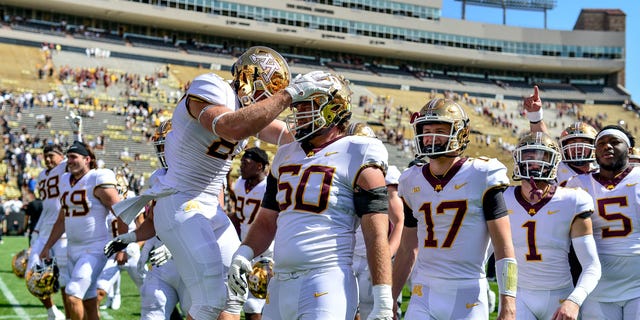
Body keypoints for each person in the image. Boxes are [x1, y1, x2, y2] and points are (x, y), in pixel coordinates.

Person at [107, 46, 334, 320]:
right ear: (250, 77)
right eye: (271, 88)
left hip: (210, 209)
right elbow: (230, 126)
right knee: (210, 302)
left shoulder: (246, 110)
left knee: (234, 296)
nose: (272, 98)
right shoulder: (212, 86)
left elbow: (286, 135)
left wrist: (334, 138)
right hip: (181, 203)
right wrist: (288, 96)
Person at [227, 73, 394, 320]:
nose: (300, 112)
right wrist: (244, 253)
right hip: (280, 282)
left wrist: (383, 300)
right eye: (298, 106)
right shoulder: (285, 154)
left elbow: (376, 233)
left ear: (333, 108)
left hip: (326, 280)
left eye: (308, 105)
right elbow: (266, 221)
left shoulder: (358, 150)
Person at [392, 98, 517, 320]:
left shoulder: (482, 174)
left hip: (467, 293)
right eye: (426, 130)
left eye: (439, 130)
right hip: (423, 292)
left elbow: (504, 247)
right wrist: (390, 297)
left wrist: (508, 303)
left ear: (460, 133)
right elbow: (407, 248)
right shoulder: (410, 180)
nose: (431, 137)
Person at [506, 131, 601, 319]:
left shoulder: (572, 199)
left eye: (542, 156)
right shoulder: (503, 198)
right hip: (519, 295)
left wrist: (574, 300)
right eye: (528, 156)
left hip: (560, 296)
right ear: (518, 159)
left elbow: (592, 265)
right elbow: (489, 253)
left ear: (555, 162)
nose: (535, 163)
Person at [40, 141, 126, 320]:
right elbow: (62, 219)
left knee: (72, 295)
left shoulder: (97, 178)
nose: (69, 161)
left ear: (87, 159)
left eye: (74, 157)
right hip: (73, 249)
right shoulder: (65, 180)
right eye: (68, 157)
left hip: (94, 248)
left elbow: (121, 212)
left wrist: (123, 245)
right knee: (88, 301)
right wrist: (47, 245)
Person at [566, 125, 640, 319]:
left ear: (630, 150)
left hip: (638, 285)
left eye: (614, 142)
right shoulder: (577, 183)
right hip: (596, 286)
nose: (607, 147)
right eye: (601, 144)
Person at [346, 122, 404, 320]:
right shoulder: (338, 171)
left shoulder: (384, 174)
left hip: (373, 255)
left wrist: (386, 254)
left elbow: (399, 221)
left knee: (380, 312)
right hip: (346, 256)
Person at [27, 144, 69, 320]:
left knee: (65, 280)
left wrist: (77, 133)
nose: (48, 159)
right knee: (33, 274)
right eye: (46, 156)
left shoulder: (64, 168)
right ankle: (52, 311)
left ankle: (70, 314)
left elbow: (78, 154)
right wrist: (35, 232)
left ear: (61, 156)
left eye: (52, 155)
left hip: (62, 233)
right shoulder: (42, 174)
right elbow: (46, 206)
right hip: (44, 231)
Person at [524, 86, 598, 185]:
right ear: (563, 147)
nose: (578, 148)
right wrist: (535, 116)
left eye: (584, 142)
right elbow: (544, 141)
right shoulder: (557, 169)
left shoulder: (602, 172)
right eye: (573, 143)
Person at [233, 147, 271, 320]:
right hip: (246, 248)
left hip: (268, 250)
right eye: (241, 162)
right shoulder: (240, 183)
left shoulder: (270, 187)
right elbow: (239, 216)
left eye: (246, 163)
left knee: (254, 302)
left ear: (259, 166)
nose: (241, 167)